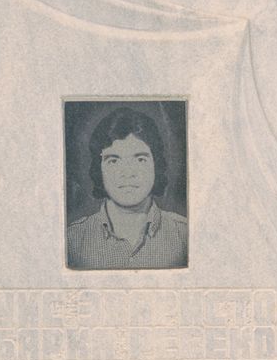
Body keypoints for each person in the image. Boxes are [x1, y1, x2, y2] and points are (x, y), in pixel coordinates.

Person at [66, 106, 188, 270]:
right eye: (114, 161)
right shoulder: (71, 241)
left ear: (156, 165)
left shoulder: (186, 236)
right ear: (98, 168)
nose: (128, 173)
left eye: (140, 160)